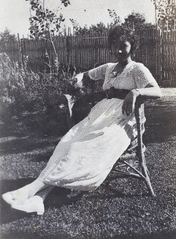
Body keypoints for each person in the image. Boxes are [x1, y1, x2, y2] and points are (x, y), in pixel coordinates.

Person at [2, 26, 162, 215]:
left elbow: (157, 91)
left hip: (124, 122)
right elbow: (86, 76)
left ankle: (30, 190)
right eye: (114, 46)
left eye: (123, 46)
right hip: (98, 117)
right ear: (110, 47)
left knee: (84, 148)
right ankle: (38, 198)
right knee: (68, 143)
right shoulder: (109, 68)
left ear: (131, 47)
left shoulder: (137, 69)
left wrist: (135, 92)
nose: (118, 50)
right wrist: (76, 79)